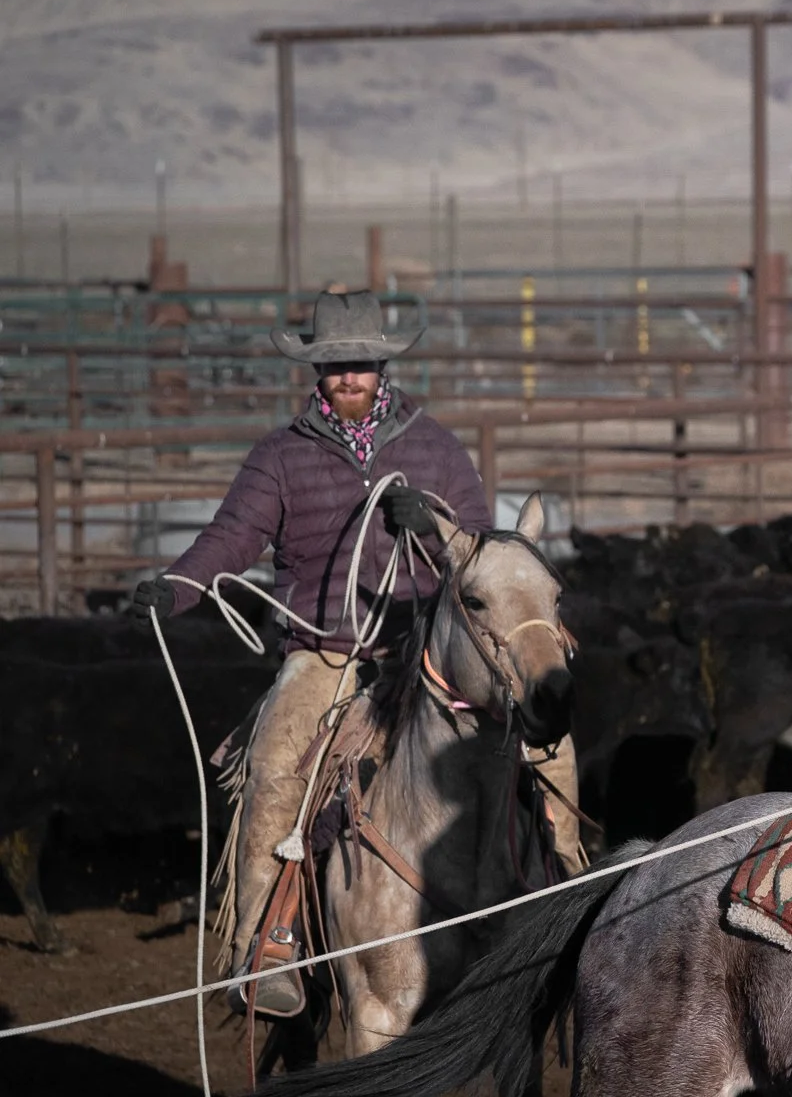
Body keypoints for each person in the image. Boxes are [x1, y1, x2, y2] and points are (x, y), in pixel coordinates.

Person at [130, 290, 585, 1019]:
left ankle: (567, 892)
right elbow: (231, 539)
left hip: (425, 648)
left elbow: (481, 554)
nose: (349, 376)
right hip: (328, 652)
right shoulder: (280, 456)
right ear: (316, 369)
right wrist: (176, 588)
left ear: (381, 365)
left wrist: (432, 527)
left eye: (361, 364)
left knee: (548, 744)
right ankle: (266, 942)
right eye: (335, 365)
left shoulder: (432, 445)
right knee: (277, 761)